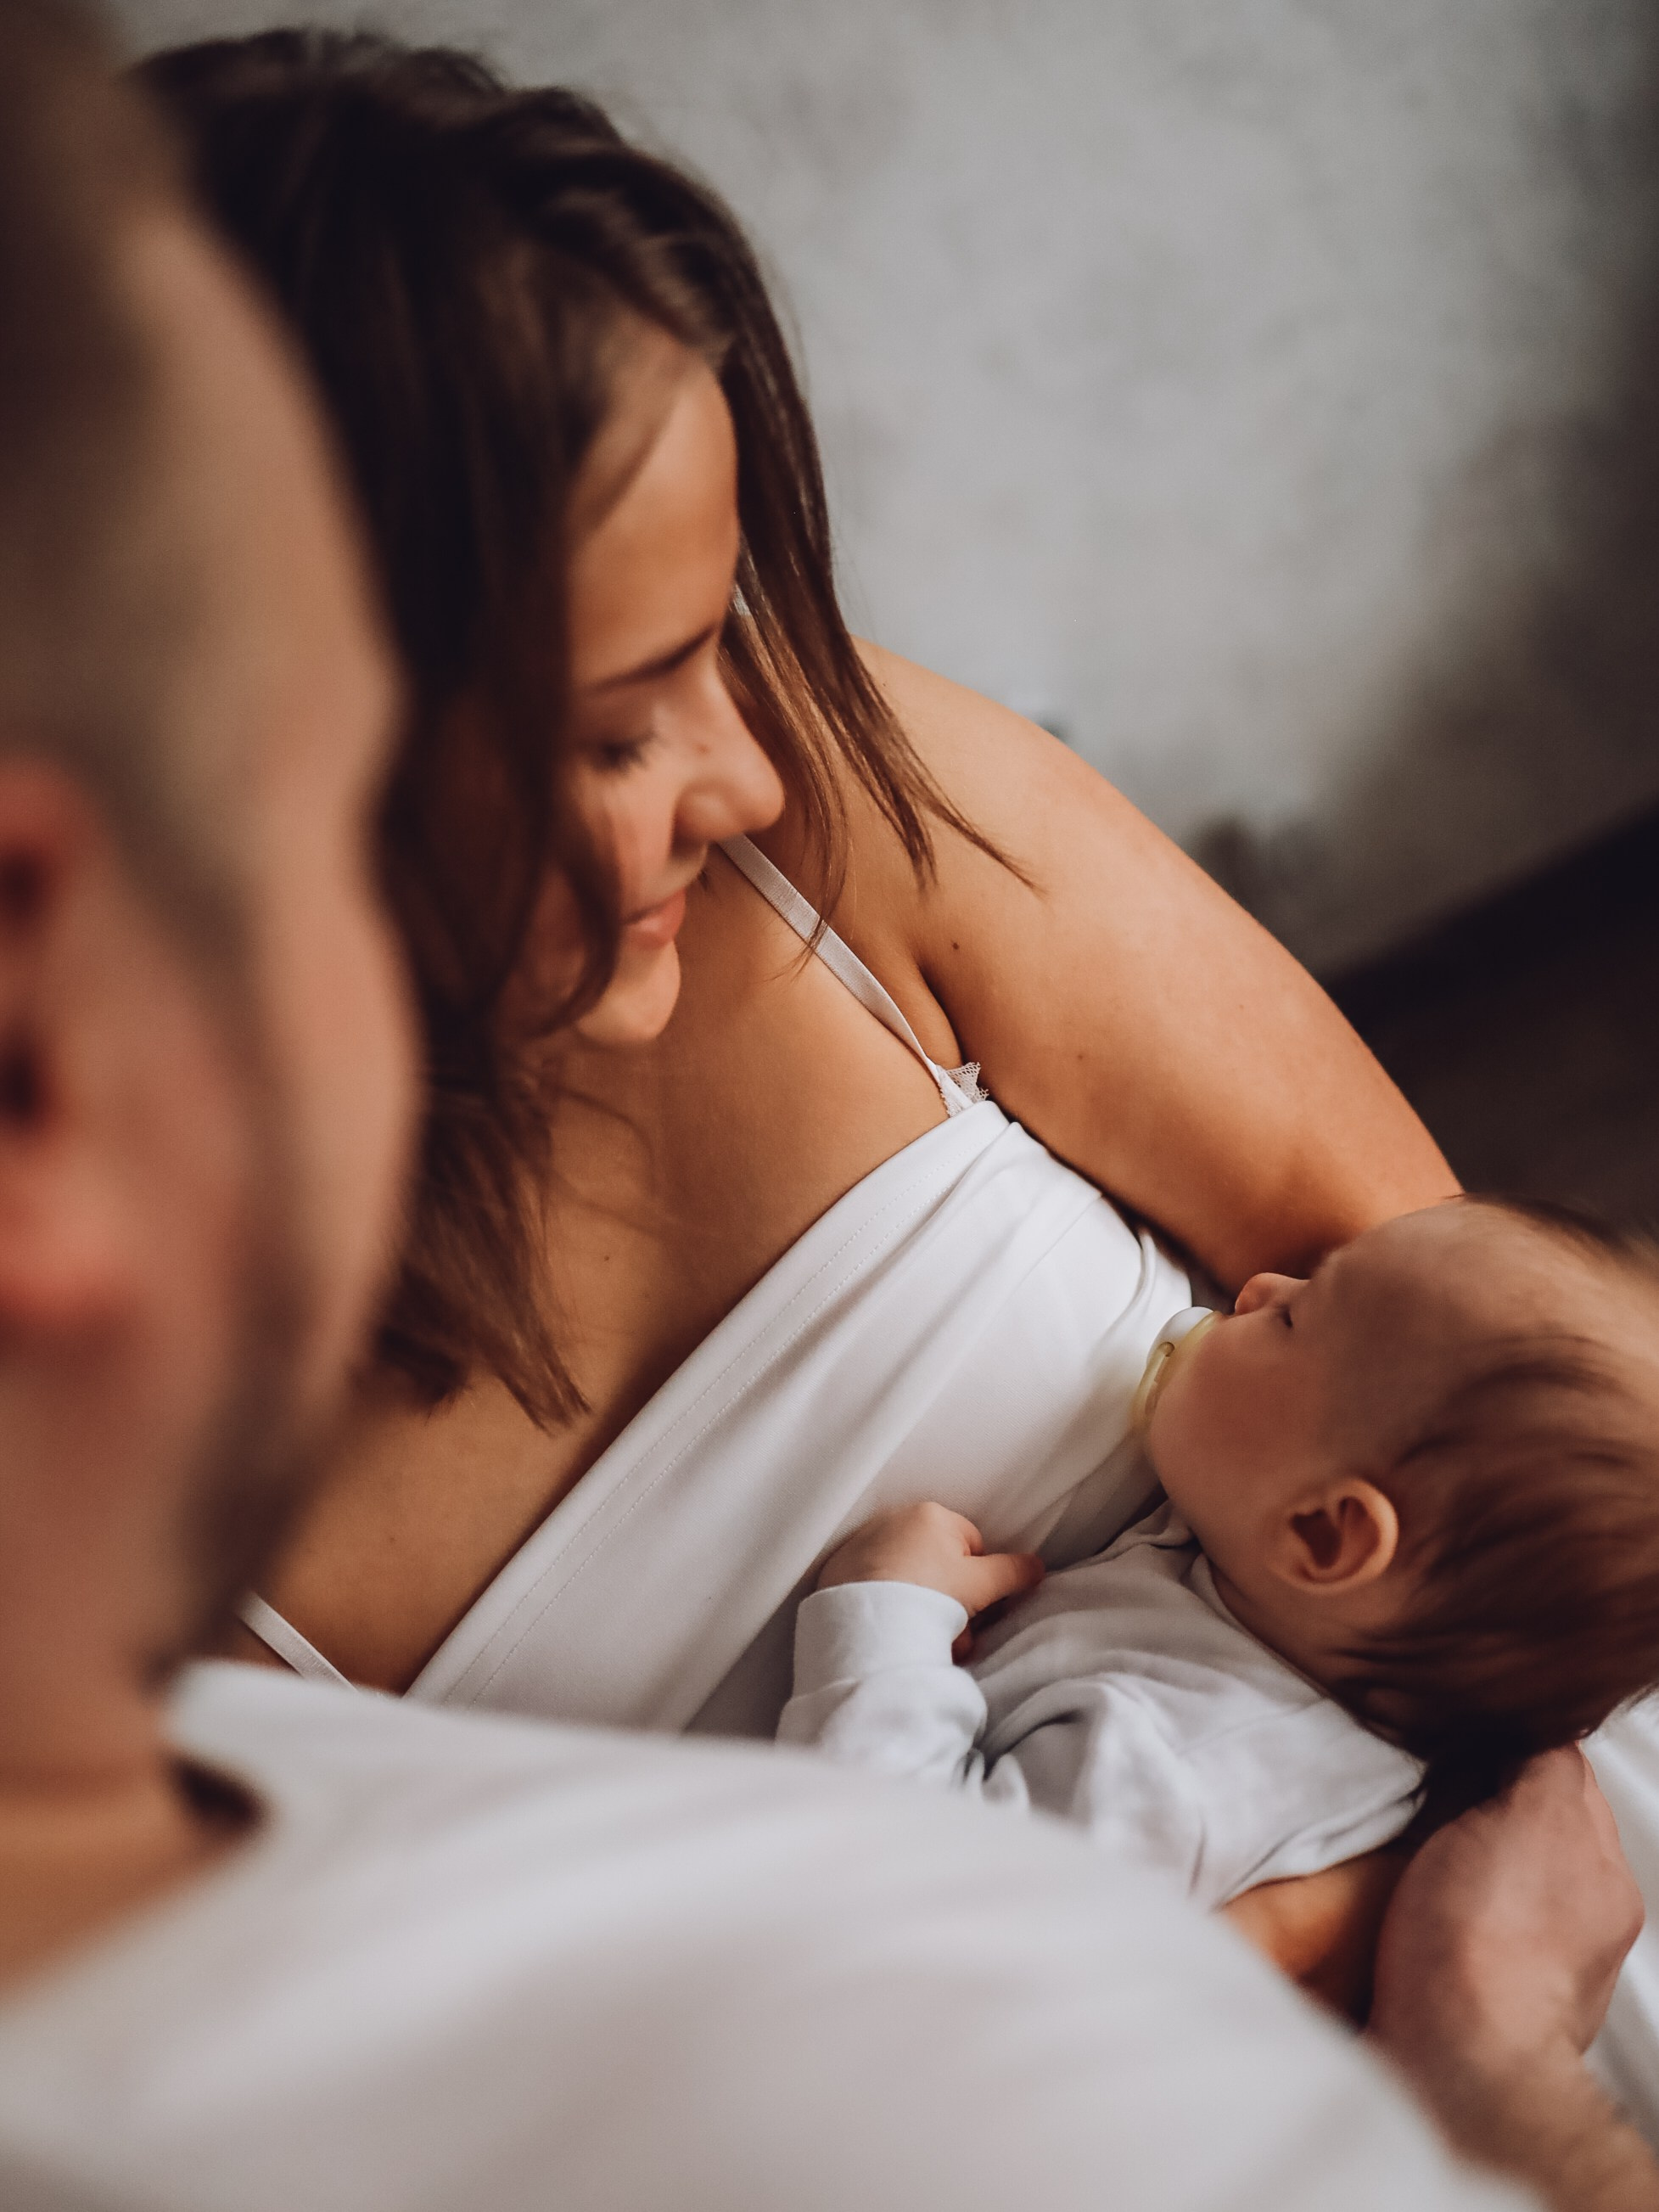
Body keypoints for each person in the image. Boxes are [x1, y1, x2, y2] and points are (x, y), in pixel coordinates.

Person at [0, 7, 1654, 2209]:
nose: (754, 768)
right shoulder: (111, 1479)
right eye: (616, 721)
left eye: (728, 635)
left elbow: (1533, 1469)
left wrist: (1478, 2010)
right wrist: (1363, 2004)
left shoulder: (846, 819)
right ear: (288, 754)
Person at [779, 1198, 1659, 1914]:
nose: (1257, 1285)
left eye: (1293, 1318)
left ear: (1321, 1536)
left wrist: (884, 1612)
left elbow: (892, 1897)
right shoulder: (1260, 1588)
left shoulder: (1188, 1772)